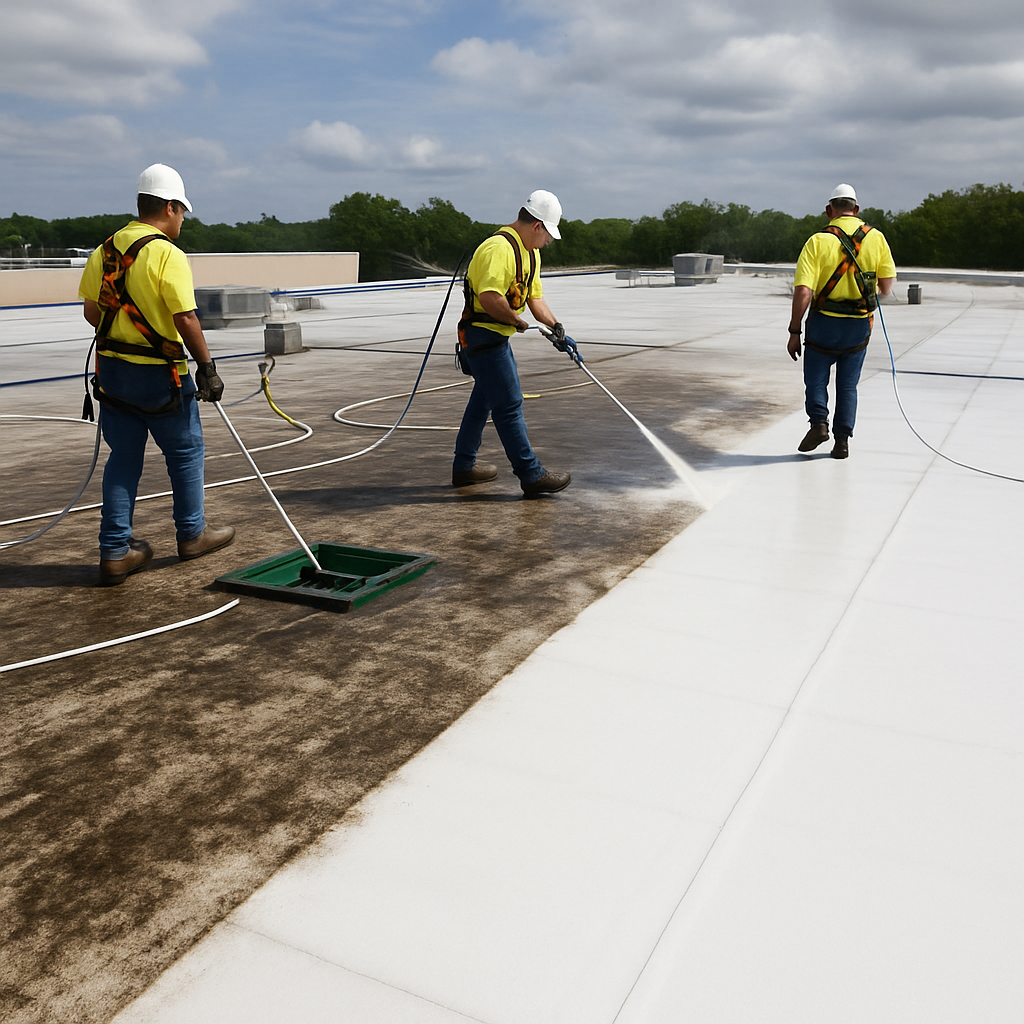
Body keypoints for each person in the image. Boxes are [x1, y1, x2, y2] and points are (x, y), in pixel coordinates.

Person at [79, 163, 234, 585]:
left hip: (112, 375)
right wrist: (207, 367)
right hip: (161, 377)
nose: (182, 218)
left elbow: (92, 313)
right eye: (182, 211)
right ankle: (192, 535)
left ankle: (115, 552)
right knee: (184, 454)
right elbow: (185, 318)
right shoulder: (168, 254)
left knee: (123, 459)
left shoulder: (104, 250)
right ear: (169, 207)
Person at [452, 190, 572, 496]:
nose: (548, 242)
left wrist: (555, 325)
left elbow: (534, 297)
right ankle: (531, 474)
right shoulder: (498, 249)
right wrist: (515, 321)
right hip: (481, 336)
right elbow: (490, 298)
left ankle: (464, 468)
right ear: (536, 226)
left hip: (497, 337)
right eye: (548, 235)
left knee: (482, 402)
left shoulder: (531, 253)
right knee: (509, 406)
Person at [788, 183, 896, 458]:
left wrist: (794, 330)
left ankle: (819, 424)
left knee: (815, 379)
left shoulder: (817, 241)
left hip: (824, 323)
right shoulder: (877, 238)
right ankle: (842, 441)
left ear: (829, 211)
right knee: (848, 386)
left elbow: (803, 291)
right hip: (858, 326)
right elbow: (886, 287)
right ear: (856, 210)